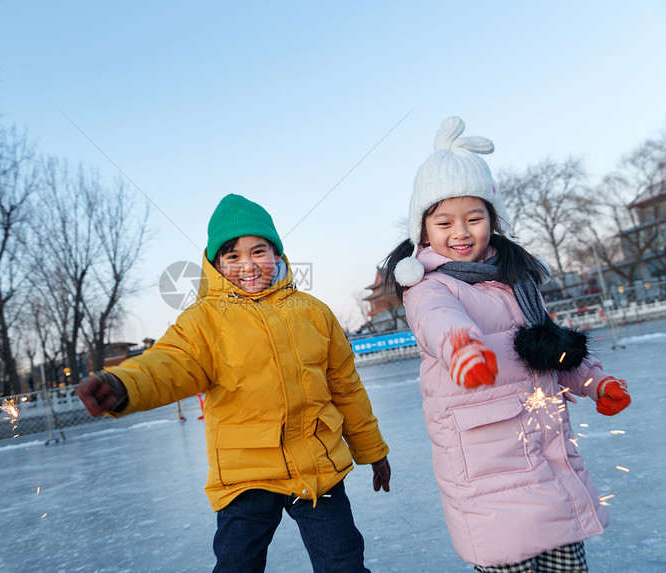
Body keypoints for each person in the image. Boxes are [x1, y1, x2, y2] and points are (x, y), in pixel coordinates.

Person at [77, 193, 392, 573]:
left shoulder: (314, 313)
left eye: (259, 251)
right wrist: (123, 383)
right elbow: (170, 363)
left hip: (316, 467)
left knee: (343, 564)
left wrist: (372, 450)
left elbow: (346, 389)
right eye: (232, 256)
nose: (248, 265)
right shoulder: (202, 322)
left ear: (277, 253)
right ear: (215, 263)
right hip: (245, 477)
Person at [382, 117, 631, 572]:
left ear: (492, 221)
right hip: (487, 465)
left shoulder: (518, 282)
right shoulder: (430, 287)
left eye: (474, 218)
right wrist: (462, 350)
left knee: (568, 564)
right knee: (506, 558)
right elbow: (439, 322)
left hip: (545, 452)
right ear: (423, 230)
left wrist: (596, 381)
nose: (460, 232)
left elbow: (549, 346)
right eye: (444, 222)